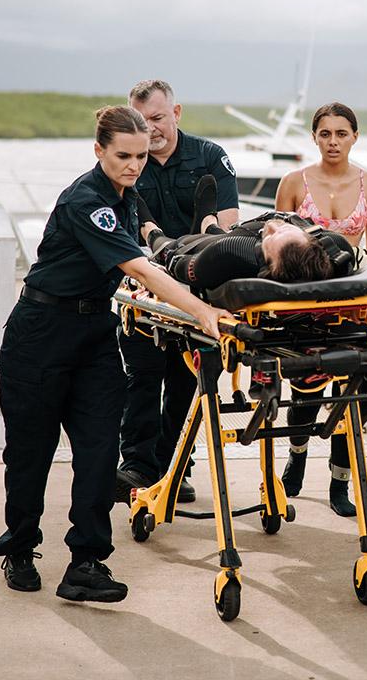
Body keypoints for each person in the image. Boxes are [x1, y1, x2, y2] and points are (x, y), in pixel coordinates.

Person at [0, 106, 225, 603]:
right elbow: (140, 268)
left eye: (141, 155)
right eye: (123, 155)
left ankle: (86, 563)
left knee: (99, 454)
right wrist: (203, 312)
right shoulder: (86, 200)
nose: (134, 164)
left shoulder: (128, 195)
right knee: (30, 455)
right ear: (98, 150)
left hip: (95, 332)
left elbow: (155, 245)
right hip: (41, 334)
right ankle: (20, 546)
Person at [116, 80, 241, 505]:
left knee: (187, 383)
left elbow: (226, 228)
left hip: (197, 287)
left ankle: (173, 467)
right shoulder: (129, 163)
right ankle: (137, 467)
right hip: (144, 288)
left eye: (157, 118)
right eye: (141, 120)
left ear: (177, 113)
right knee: (142, 379)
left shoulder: (208, 157)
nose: (150, 129)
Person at [273, 102, 367, 517]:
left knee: (355, 390)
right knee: (307, 383)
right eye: (325, 133)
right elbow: (274, 245)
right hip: (302, 301)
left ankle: (341, 479)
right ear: (315, 137)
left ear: (355, 136)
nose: (333, 141)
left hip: (351, 298)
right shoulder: (293, 182)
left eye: (342, 133)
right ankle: (298, 453)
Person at [139, 177, 355, 288]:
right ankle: (208, 222)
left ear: (265, 261)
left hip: (229, 247)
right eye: (287, 229)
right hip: (248, 233)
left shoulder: (232, 255)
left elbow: (177, 264)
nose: (272, 225)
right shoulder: (336, 249)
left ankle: (148, 228)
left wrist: (164, 255)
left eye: (270, 238)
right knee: (219, 234)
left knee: (178, 245)